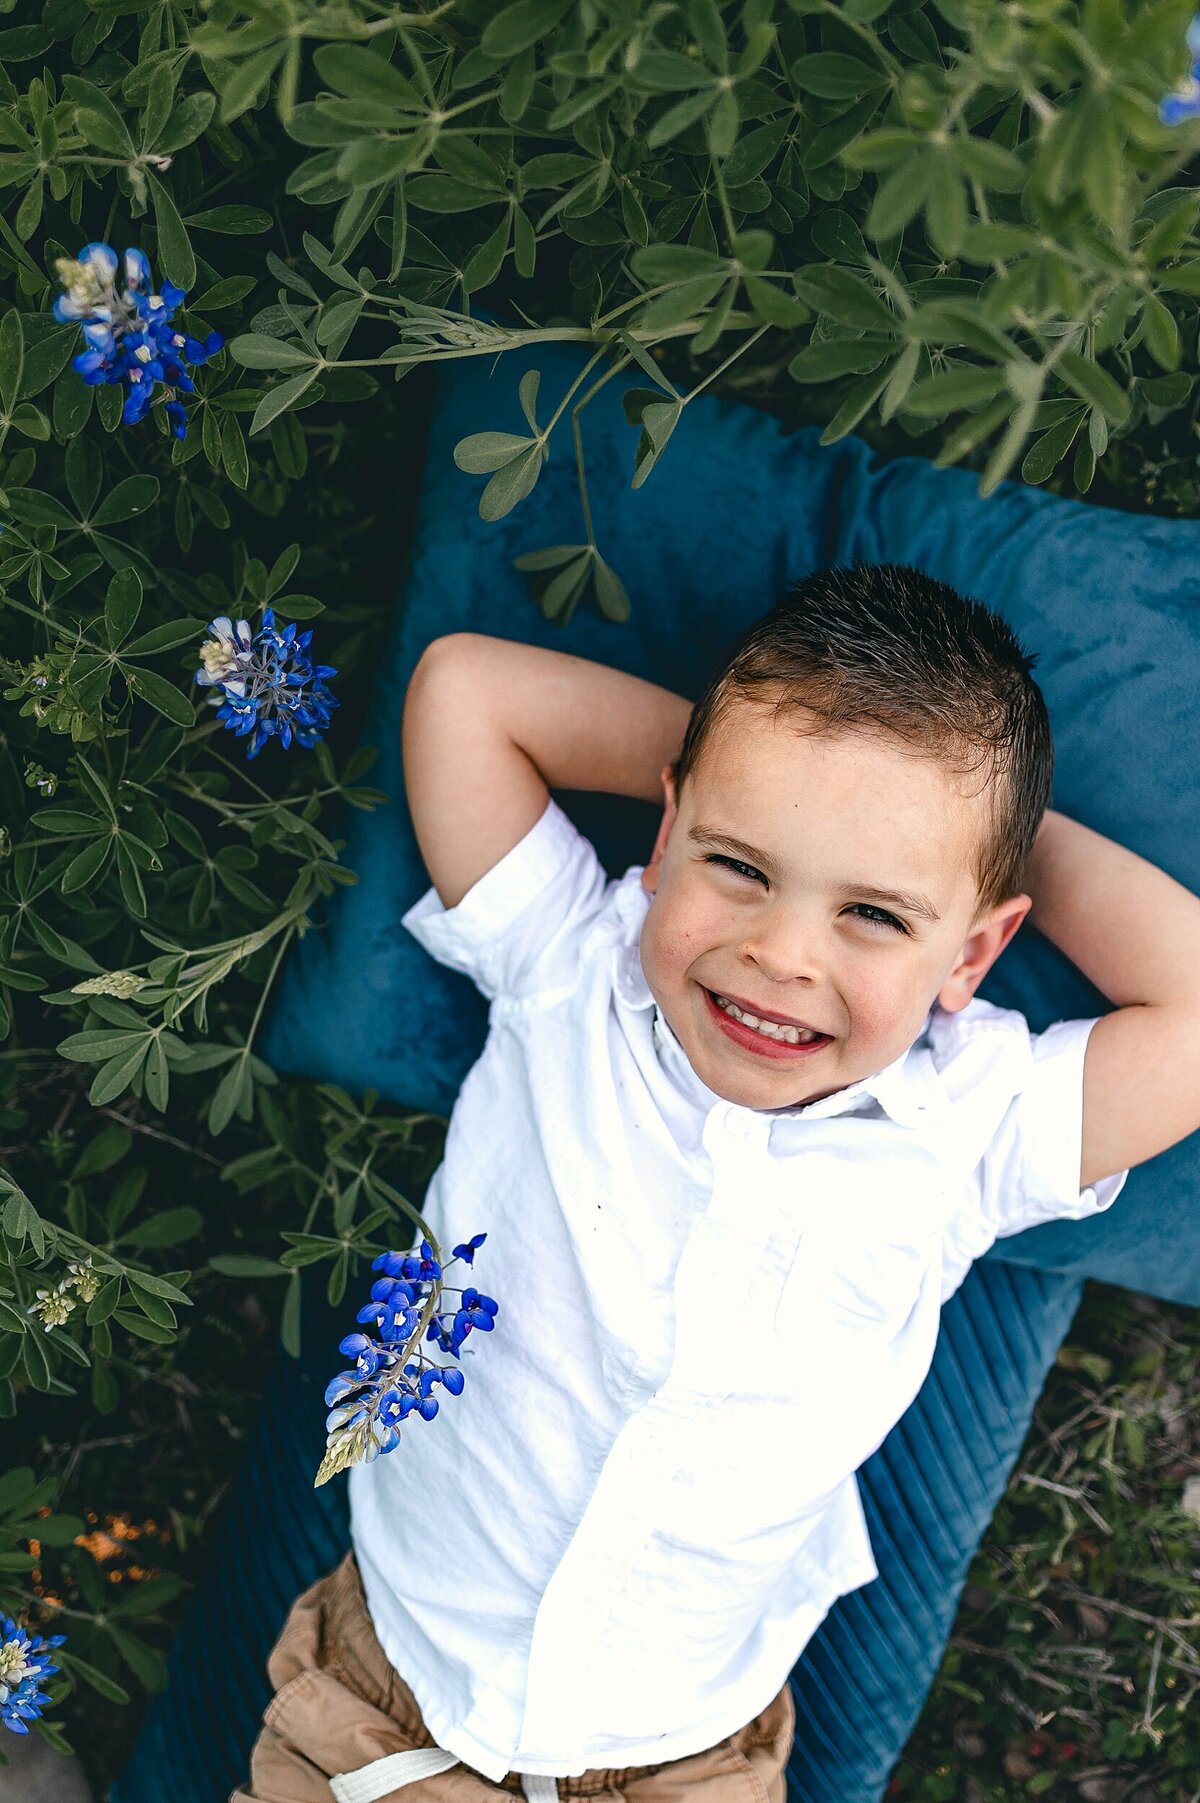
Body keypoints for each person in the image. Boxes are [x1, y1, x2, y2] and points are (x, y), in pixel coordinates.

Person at [234, 563, 1200, 1803]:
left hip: (686, 1753)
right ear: (665, 829)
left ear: (975, 951)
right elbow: (465, 691)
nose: (779, 954)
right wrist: (758, 767)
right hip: (396, 1694)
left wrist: (980, 824)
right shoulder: (569, 972)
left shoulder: (972, 1123)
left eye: (874, 913)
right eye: (738, 866)